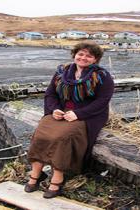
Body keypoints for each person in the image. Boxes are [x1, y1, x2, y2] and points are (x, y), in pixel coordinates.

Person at [24, 41, 114, 198]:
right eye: (80, 54)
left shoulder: (101, 76)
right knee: (41, 133)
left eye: (89, 56)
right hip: (63, 111)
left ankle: (57, 179)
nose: (83, 58)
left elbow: (102, 101)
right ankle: (36, 174)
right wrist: (54, 110)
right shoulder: (62, 72)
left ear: (95, 59)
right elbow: (50, 94)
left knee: (62, 136)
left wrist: (79, 114)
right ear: (74, 55)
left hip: (89, 115)